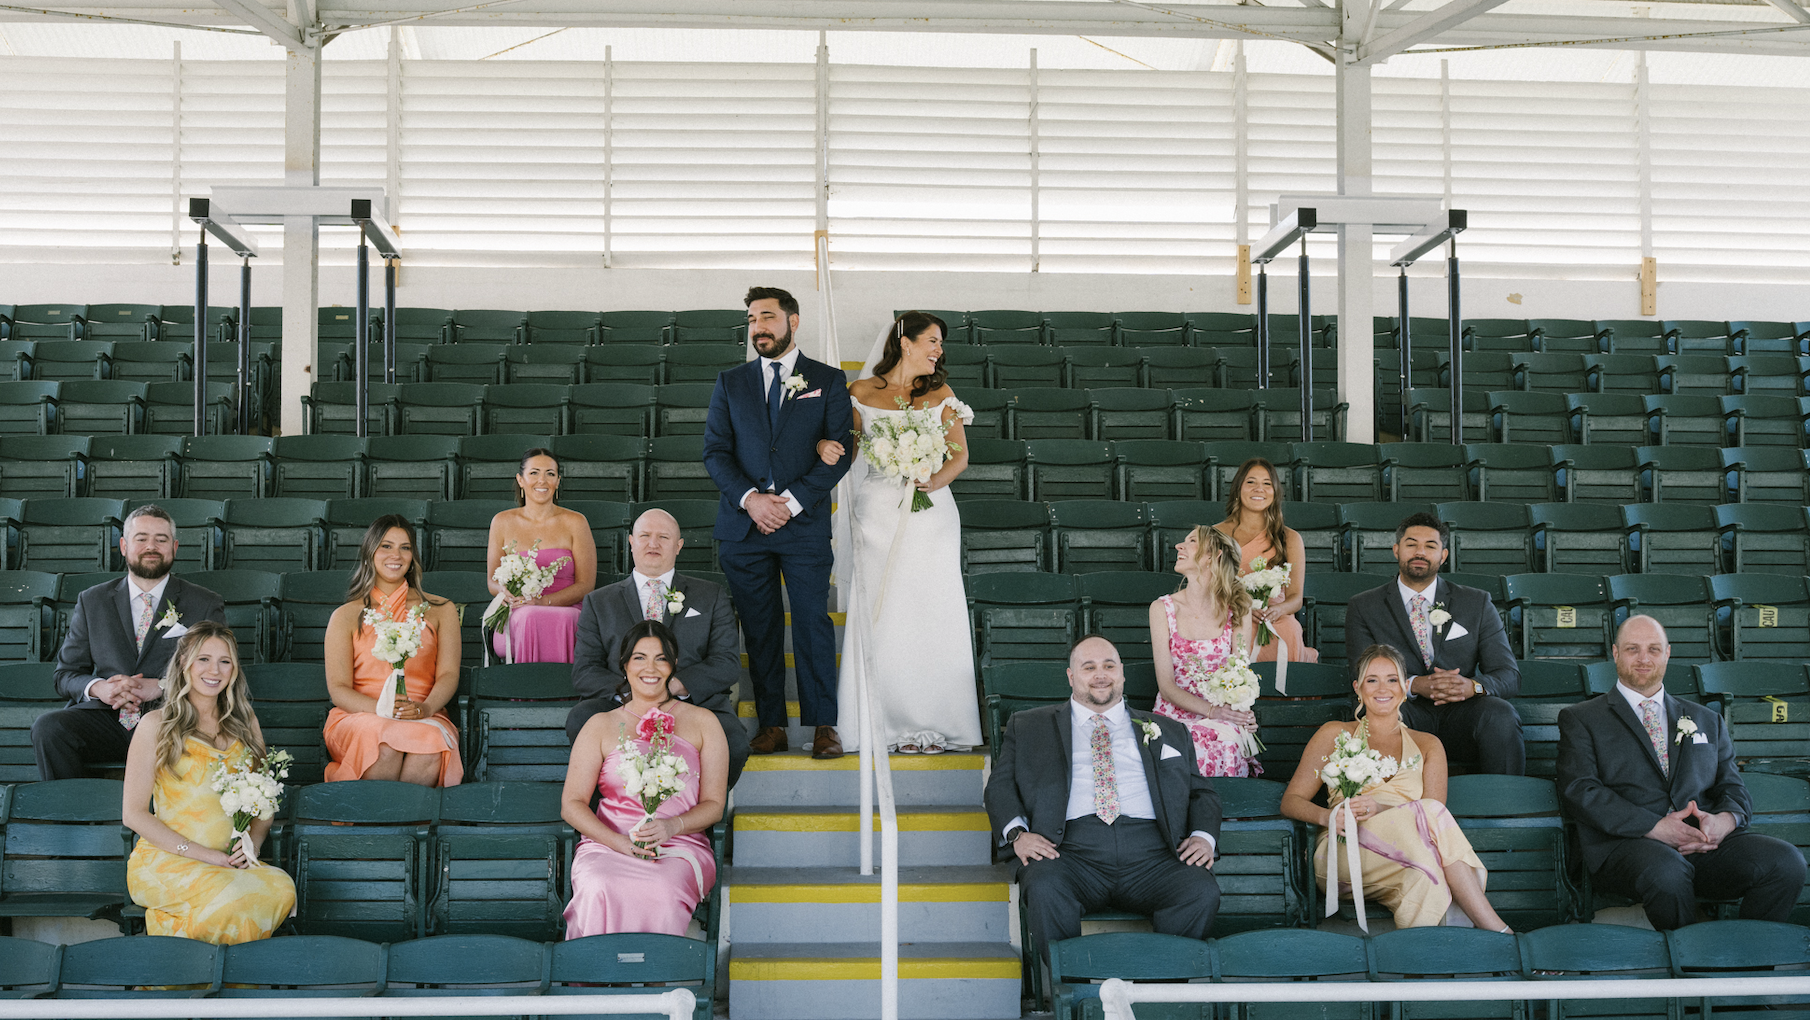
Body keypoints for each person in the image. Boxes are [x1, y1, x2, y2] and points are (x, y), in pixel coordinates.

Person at [985, 634, 1222, 965]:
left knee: (1199, 890)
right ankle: (1073, 995)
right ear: (1071, 676)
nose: (1100, 674)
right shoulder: (1029, 725)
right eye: (1089, 667)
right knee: (1044, 886)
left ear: (1122, 673)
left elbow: (1202, 792)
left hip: (1154, 857)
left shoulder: (1168, 730)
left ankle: (1162, 992)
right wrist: (1017, 836)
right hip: (1068, 853)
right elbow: (999, 787)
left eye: (1109, 666)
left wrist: (1203, 836)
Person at [1557, 616, 1806, 930]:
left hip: (1701, 846)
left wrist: (1724, 821)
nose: (1644, 658)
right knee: (1667, 871)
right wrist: (1655, 827)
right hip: (1627, 846)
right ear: (1616, 653)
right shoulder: (1582, 718)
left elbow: (1732, 786)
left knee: (1786, 863)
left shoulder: (1706, 719)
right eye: (1633, 649)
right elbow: (1581, 790)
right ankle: (1691, 970)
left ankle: (1745, 963)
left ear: (1668, 654)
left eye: (1654, 649)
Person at [703, 286, 854, 760]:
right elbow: (715, 452)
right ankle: (771, 724)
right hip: (744, 528)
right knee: (759, 626)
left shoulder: (827, 380)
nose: (757, 327)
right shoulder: (731, 381)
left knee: (812, 622)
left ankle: (823, 725)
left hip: (803, 525)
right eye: (751, 319)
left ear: (793, 321)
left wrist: (788, 502)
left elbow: (840, 451)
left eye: (766, 317)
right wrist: (751, 500)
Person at [826, 310, 982, 754]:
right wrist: (825, 447)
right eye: (931, 341)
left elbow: (959, 457)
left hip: (931, 514)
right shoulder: (860, 392)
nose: (938, 350)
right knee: (885, 613)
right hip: (877, 512)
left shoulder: (942, 393)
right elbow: (850, 455)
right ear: (905, 342)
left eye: (940, 343)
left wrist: (932, 480)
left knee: (932, 612)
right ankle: (882, 719)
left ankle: (941, 719)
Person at [1281, 643, 1508, 932]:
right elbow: (1291, 801)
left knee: (1428, 881)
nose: (1382, 688)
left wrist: (1383, 808)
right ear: (1358, 687)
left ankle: (1418, 968)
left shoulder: (1428, 745)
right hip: (1344, 850)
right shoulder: (1334, 733)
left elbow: (1434, 816)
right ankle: (1499, 933)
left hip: (1410, 857)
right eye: (1372, 680)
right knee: (1430, 824)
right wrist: (1329, 817)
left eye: (1392, 679)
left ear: (1403, 687)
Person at [123, 621, 296, 943]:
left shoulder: (246, 724)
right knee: (232, 899)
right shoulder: (155, 725)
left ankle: (212, 978)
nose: (214, 669)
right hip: (169, 862)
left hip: (231, 864)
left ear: (234, 669)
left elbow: (264, 800)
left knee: (281, 887)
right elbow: (133, 814)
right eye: (204, 659)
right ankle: (196, 979)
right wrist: (206, 855)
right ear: (183, 663)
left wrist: (252, 847)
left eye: (224, 660)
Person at [34, 504, 225, 781]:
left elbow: (219, 673)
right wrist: (100, 688)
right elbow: (65, 675)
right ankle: (73, 817)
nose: (152, 546)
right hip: (107, 717)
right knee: (48, 728)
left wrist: (160, 686)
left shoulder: (205, 603)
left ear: (175, 547)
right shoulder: (92, 600)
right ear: (124, 546)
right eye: (141, 538)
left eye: (161, 539)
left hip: (171, 718)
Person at [562, 621, 727, 938]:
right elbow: (571, 805)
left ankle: (656, 983)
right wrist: (618, 843)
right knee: (598, 884)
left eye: (660, 658)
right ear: (623, 665)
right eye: (639, 658)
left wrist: (671, 826)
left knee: (662, 887)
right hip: (608, 845)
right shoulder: (600, 724)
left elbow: (714, 805)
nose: (650, 668)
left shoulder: (704, 722)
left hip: (679, 845)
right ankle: (594, 982)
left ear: (674, 665)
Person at [568, 508, 750, 788]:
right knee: (581, 719)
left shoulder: (710, 595)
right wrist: (633, 693)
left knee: (733, 739)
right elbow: (585, 670)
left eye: (663, 537)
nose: (653, 544)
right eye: (645, 536)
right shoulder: (599, 601)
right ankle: (605, 814)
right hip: (619, 703)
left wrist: (674, 687)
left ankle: (702, 818)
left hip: (692, 703)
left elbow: (726, 662)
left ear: (678, 546)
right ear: (631, 542)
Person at [1344, 511, 1524, 775]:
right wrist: (1415, 684)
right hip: (1403, 709)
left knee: (1501, 714)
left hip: (1463, 714)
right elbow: (1360, 674)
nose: (1420, 552)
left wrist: (1471, 686)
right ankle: (1384, 807)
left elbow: (1509, 675)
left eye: (1430, 546)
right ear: (1396, 550)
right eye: (1411, 544)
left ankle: (1507, 805)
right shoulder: (1364, 606)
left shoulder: (1476, 602)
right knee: (1371, 714)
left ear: (1444, 555)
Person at [322, 515, 463, 787]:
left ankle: (402, 828)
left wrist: (424, 709)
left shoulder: (441, 610)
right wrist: (382, 709)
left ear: (413, 557)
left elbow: (448, 674)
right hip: (361, 715)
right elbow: (338, 688)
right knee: (385, 744)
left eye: (405, 547)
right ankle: (375, 826)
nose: (396, 555)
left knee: (431, 746)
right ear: (370, 553)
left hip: (423, 712)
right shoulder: (346, 615)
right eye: (386, 546)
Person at [1150, 526, 1260, 776]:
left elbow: (1240, 675)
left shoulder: (1239, 609)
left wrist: (1241, 713)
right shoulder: (1162, 609)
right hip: (1174, 717)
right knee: (1195, 744)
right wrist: (1211, 711)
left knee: (1227, 741)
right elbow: (1166, 686)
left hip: (1222, 717)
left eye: (1191, 541)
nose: (1179, 546)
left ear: (1212, 555)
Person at [485, 447, 598, 663]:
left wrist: (543, 601)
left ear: (558, 481)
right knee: (527, 615)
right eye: (534, 473)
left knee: (539, 616)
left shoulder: (576, 522)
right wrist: (505, 591)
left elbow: (586, 584)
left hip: (567, 608)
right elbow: (492, 581)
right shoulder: (501, 521)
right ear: (520, 479)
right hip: (518, 609)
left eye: (550, 474)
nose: (542, 481)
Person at [1212, 458, 1317, 664]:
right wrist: (1242, 610)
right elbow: (1208, 588)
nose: (1259, 489)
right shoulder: (1216, 534)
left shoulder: (1290, 538)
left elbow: (1296, 598)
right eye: (1251, 482)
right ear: (1238, 489)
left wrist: (1278, 610)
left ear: (1275, 492)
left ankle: (1283, 696)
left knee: (1290, 628)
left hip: (1274, 616)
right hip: (1228, 613)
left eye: (1267, 483)